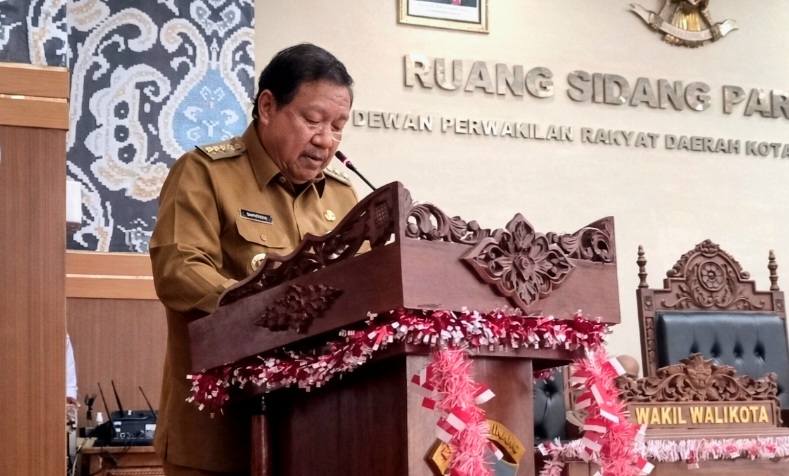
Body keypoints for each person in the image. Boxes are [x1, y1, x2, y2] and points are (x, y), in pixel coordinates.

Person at [149, 43, 360, 476]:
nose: (326, 140)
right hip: (220, 435)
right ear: (267, 106)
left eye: (338, 127)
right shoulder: (205, 173)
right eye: (313, 120)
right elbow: (179, 271)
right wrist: (270, 312)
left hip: (318, 435)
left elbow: (368, 289)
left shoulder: (342, 197)